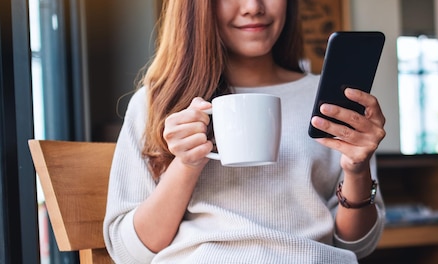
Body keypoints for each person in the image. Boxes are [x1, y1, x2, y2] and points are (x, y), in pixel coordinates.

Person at [103, 0, 387, 263]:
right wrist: (187, 163)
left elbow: (356, 246)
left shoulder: (331, 103)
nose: (253, 7)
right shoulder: (158, 103)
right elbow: (130, 252)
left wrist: (357, 171)